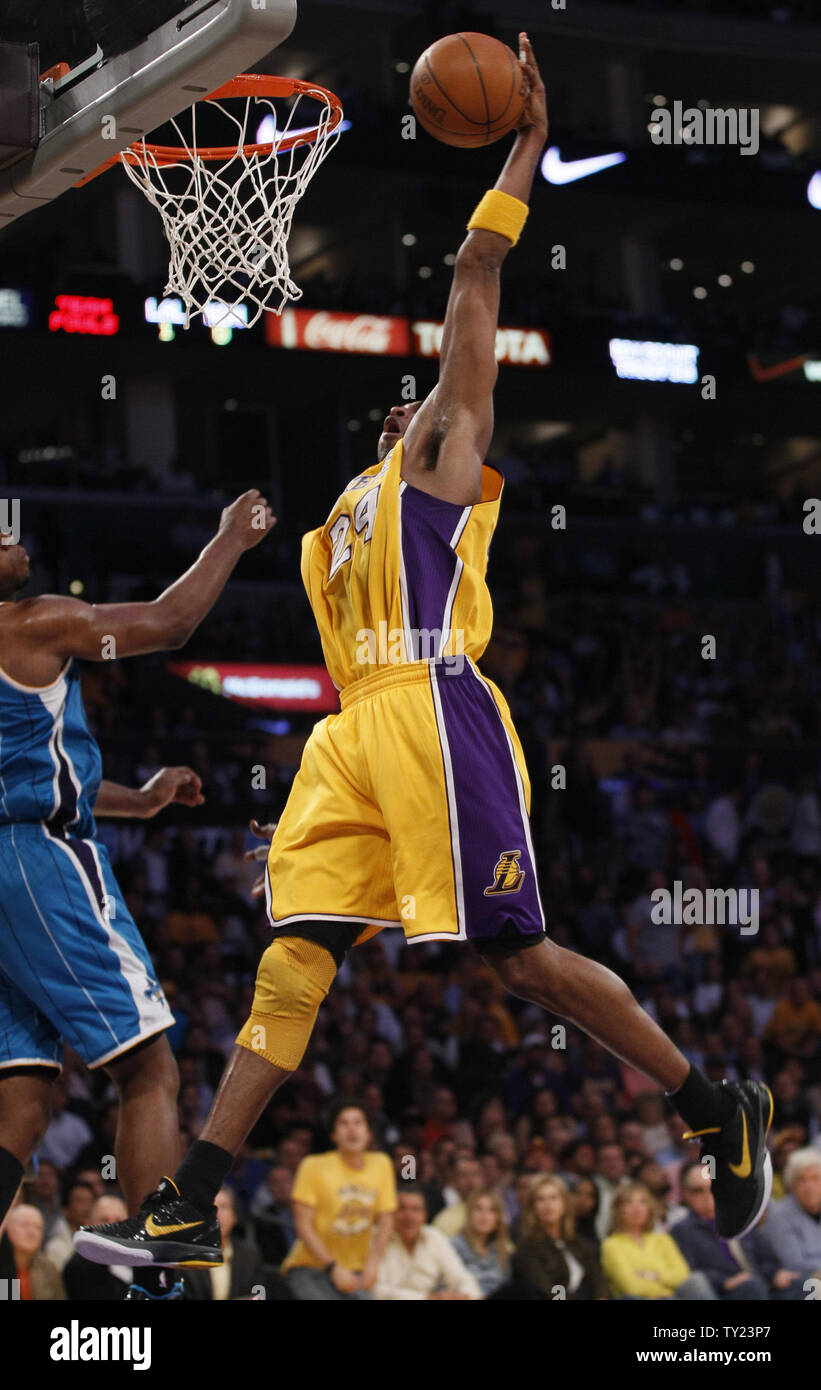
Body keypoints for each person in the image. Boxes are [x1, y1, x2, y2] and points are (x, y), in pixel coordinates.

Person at [75, 34, 770, 1274]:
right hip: (350, 730)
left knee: (522, 967)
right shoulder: (337, 518)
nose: (420, 399)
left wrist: (522, 146)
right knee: (291, 960)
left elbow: (474, 273)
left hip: (436, 706)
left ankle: (712, 1105)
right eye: (404, 398)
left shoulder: (443, 470)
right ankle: (187, 1204)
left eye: (434, 394)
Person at [0, 488, 274, 1300]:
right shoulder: (31, 622)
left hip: (13, 860)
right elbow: (168, 623)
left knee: (19, 1103)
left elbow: (36, 778)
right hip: (40, 864)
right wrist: (229, 539)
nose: (13, 537)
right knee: (150, 1067)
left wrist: (143, 799)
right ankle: (158, 1279)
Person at [279, 1102, 397, 1300]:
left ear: (369, 1133)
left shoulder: (382, 1164)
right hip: (310, 1268)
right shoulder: (312, 1166)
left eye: (358, 1123)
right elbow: (303, 1225)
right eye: (344, 1123)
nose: (352, 1129)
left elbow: (386, 1219)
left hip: (356, 1271)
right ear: (333, 1135)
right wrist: (332, 1267)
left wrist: (373, 1264)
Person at [601, 1182, 716, 1300]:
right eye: (628, 1202)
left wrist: (653, 1276)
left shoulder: (662, 1239)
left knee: (696, 1280)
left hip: (674, 1297)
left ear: (649, 1208)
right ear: (619, 1209)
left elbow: (683, 1275)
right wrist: (665, 1289)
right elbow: (631, 1287)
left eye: (642, 1202)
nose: (636, 1208)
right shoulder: (611, 1244)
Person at [671, 1162, 769, 1300]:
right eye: (699, 1191)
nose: (709, 1195)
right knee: (752, 1287)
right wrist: (723, 1282)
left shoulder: (740, 1217)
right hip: (725, 1292)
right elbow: (690, 1273)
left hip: (760, 1282)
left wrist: (776, 1274)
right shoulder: (682, 1230)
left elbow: (767, 1256)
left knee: (800, 1285)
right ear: (686, 1194)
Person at [373, 1187, 481, 1300]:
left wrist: (465, 1295)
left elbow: (461, 1277)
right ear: (391, 1213)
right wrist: (428, 1298)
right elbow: (376, 1291)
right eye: (402, 1208)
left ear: (424, 1216)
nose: (409, 1216)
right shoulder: (376, 1238)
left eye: (416, 1209)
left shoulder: (434, 1237)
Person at [514, 1175, 608, 1301]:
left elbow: (598, 1279)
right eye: (541, 1199)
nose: (548, 1205)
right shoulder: (527, 1248)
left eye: (553, 1198)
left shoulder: (577, 1242)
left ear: (564, 1203)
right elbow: (547, 1291)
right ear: (533, 1207)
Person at [182, 1188, 265, 1301]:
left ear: (234, 1216)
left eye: (223, 1207)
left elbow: (258, 1295)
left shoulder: (249, 1255)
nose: (217, 1214)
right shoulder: (182, 1257)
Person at [763, 1148, 821, 1280]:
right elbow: (794, 1263)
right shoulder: (779, 1216)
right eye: (802, 1180)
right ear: (792, 1185)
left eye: (815, 1178)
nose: (809, 1187)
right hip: (805, 1281)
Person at [62, 1196, 133, 1300]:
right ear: (89, 1225)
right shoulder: (78, 1267)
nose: (112, 1226)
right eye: (104, 1220)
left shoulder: (141, 1260)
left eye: (119, 1220)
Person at [450, 1189, 512, 1297]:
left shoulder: (502, 1250)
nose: (484, 1215)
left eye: (491, 1210)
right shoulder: (454, 1246)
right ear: (469, 1214)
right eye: (478, 1209)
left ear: (497, 1218)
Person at [4, 1203, 65, 1299]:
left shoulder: (48, 1268)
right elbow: (6, 1296)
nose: (32, 1232)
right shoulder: (3, 1266)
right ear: (6, 1228)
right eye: (24, 1225)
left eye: (38, 1227)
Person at [43, 1178, 96, 1273]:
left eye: (90, 1201)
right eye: (80, 1201)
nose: (87, 1207)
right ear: (65, 1210)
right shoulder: (55, 1247)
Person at [432, 1154, 483, 1237]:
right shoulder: (444, 1220)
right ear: (454, 1181)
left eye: (475, 1174)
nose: (470, 1180)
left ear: (483, 1178)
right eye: (463, 1175)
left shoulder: (495, 1214)